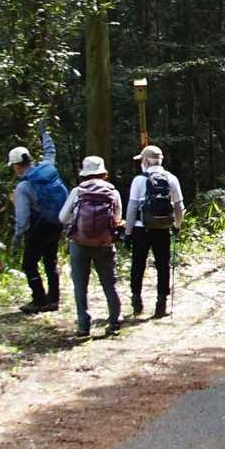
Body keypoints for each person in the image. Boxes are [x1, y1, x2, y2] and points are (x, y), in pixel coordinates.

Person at [57, 155, 123, 337]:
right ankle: (114, 321)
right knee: (109, 283)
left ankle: (83, 326)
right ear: (104, 173)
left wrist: (77, 223)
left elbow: (62, 217)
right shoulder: (113, 192)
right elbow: (117, 218)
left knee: (80, 285)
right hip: (105, 244)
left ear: (84, 174)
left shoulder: (77, 191)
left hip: (79, 243)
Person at [123, 144, 185, 318]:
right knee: (163, 266)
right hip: (163, 229)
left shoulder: (138, 180)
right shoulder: (171, 178)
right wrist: (177, 225)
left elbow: (132, 208)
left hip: (140, 229)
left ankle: (136, 300)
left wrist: (127, 233)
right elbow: (179, 207)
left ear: (145, 161)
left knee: (138, 264)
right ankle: (161, 304)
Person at [9, 129, 68, 314]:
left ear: (17, 166)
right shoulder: (47, 168)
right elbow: (50, 151)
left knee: (29, 264)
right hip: (56, 222)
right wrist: (45, 133)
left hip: (38, 228)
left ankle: (39, 300)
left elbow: (23, 217)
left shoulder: (23, 187)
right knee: (50, 261)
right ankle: (53, 300)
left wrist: (18, 236)